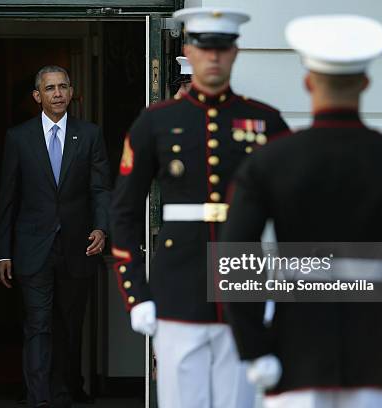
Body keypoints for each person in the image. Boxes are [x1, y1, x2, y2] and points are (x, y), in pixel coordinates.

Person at [222, 15, 382, 408]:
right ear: (365, 83)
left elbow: (235, 255)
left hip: (292, 356)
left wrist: (254, 348)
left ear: (308, 82)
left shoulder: (269, 161)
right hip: (375, 358)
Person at [110, 7, 291, 408]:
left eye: (222, 49)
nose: (213, 57)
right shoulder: (156, 122)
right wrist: (136, 293)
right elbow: (122, 211)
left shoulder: (265, 122)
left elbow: (291, 215)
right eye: (204, 48)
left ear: (235, 53)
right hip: (178, 286)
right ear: (189, 51)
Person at [0, 65, 111, 408]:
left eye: (63, 87)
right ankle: (38, 400)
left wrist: (101, 227)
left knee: (68, 328)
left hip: (77, 248)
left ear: (72, 92)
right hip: (33, 248)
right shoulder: (19, 137)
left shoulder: (89, 134)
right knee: (38, 326)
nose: (57, 93)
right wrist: (3, 252)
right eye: (50, 88)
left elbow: (100, 189)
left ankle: (62, 396)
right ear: (37, 96)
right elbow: (8, 198)